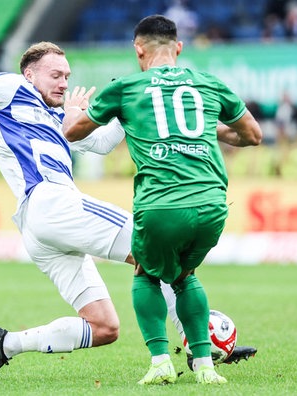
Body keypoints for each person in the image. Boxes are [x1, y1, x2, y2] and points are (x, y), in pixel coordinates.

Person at [0, 42, 259, 381]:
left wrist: (123, 111)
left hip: (42, 228)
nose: (64, 82)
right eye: (55, 75)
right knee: (157, 252)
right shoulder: (9, 87)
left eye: (67, 75)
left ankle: (7, 344)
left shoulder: (58, 117)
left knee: (104, 327)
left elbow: (100, 145)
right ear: (30, 73)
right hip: (52, 202)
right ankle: (199, 346)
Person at [63, 15, 263, 386]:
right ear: (180, 48)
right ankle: (205, 366)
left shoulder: (126, 87)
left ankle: (160, 362)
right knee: (185, 276)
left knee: (146, 273)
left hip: (161, 204)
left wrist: (72, 111)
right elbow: (252, 134)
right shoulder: (209, 84)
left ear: (138, 50)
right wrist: (204, 128)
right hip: (212, 204)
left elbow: (73, 134)